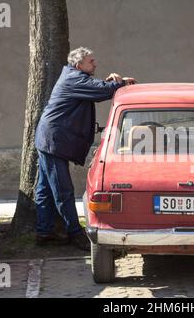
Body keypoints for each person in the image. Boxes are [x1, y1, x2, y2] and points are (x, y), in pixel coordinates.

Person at [34, 47, 136, 250]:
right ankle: (74, 233)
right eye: (91, 61)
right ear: (78, 64)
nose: (95, 64)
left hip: (50, 139)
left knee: (45, 188)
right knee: (63, 190)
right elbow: (100, 91)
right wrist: (121, 83)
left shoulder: (74, 77)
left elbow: (96, 89)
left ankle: (44, 231)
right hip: (53, 141)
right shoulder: (74, 78)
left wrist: (109, 83)